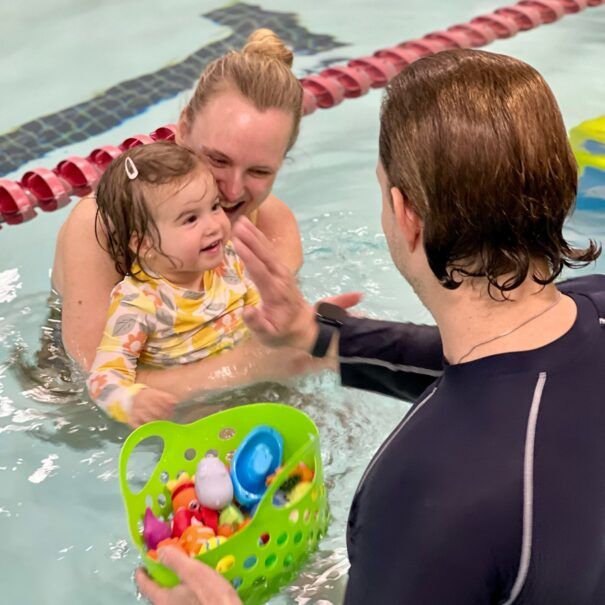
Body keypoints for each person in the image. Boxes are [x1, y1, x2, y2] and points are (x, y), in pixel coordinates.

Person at [136, 48, 605, 604]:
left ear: (405, 214)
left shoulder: (424, 492)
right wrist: (320, 335)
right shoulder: (593, 303)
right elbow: (504, 378)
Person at [51, 28, 327, 401]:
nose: (231, 191)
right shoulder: (103, 225)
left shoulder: (276, 231)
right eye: (217, 160)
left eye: (259, 172)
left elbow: (274, 346)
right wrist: (248, 366)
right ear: (182, 130)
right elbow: (90, 377)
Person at [86, 142, 263, 426]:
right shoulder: (139, 303)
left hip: (253, 380)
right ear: (144, 244)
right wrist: (130, 399)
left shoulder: (227, 260)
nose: (214, 225)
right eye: (191, 218)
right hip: (196, 408)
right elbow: (102, 379)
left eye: (214, 206)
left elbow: (260, 311)